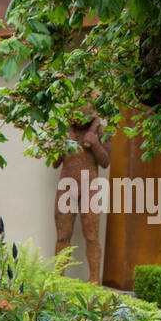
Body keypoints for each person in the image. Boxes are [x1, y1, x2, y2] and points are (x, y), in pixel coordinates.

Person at [52, 103, 112, 283]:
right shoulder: (63, 131)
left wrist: (95, 144)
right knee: (62, 235)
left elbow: (105, 162)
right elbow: (54, 163)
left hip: (90, 186)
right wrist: (63, 145)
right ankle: (57, 280)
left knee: (92, 236)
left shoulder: (101, 131)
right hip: (67, 186)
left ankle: (94, 281)